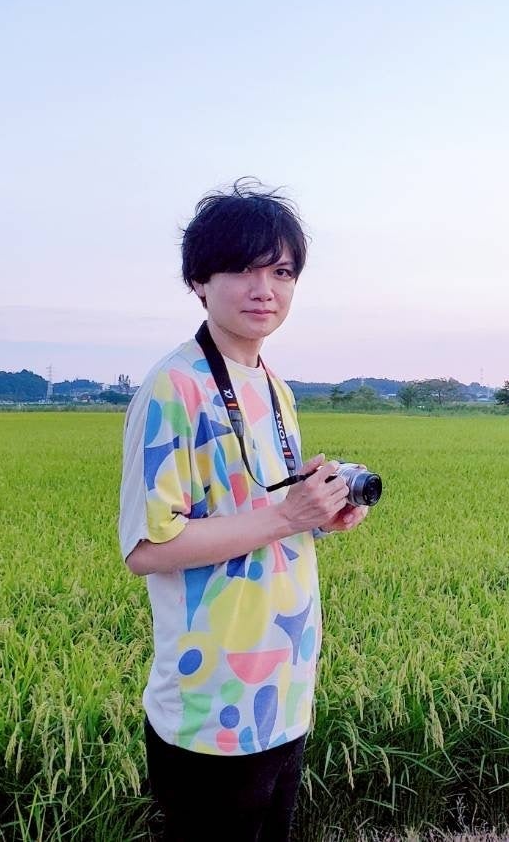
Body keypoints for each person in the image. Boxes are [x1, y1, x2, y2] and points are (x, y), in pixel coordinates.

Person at [118, 180, 368, 842]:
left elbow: (259, 508)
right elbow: (147, 549)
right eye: (243, 269)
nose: (265, 289)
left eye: (282, 272)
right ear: (199, 281)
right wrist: (286, 518)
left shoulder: (273, 384)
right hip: (211, 705)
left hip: (283, 686)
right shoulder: (175, 387)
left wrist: (316, 513)